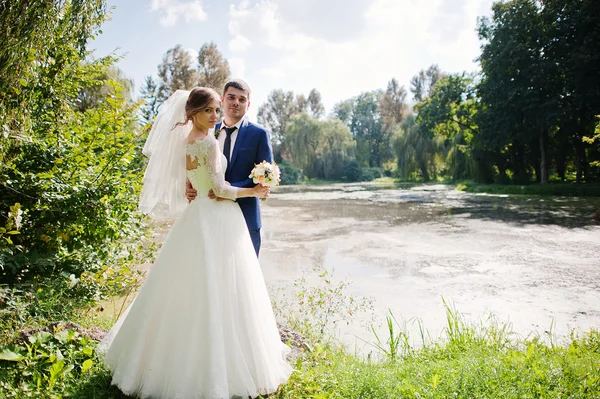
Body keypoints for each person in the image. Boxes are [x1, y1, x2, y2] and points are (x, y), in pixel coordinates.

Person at [100, 87, 292, 399]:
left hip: (200, 215)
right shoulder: (206, 141)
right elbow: (219, 188)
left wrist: (194, 187)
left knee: (206, 288)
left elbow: (194, 180)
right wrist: (253, 191)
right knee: (215, 288)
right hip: (216, 216)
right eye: (210, 111)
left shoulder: (194, 140)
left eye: (217, 110)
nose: (216, 116)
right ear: (193, 113)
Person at [185, 79, 273, 256]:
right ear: (222, 99)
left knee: (243, 278)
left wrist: (227, 188)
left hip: (246, 217)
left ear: (248, 104)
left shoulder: (259, 134)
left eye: (242, 99)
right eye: (231, 97)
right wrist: (188, 186)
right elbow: (195, 164)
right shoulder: (207, 129)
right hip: (209, 216)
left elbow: (266, 175)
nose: (236, 103)